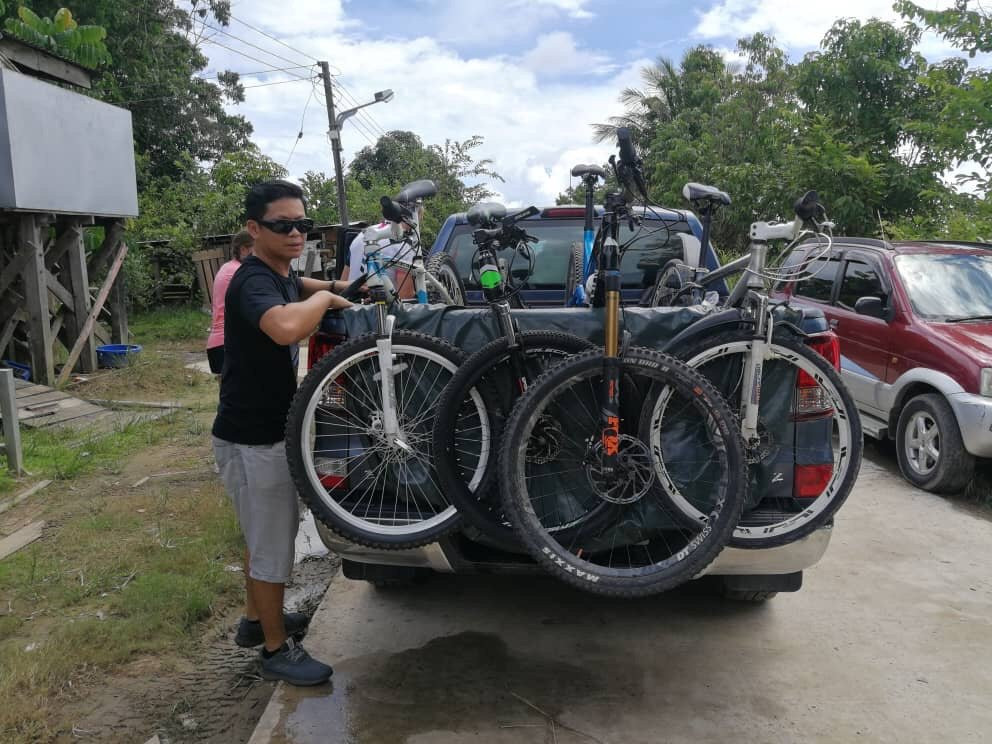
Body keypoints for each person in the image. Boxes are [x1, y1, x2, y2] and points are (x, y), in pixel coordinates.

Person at [212, 179, 353, 686]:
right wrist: (326, 306)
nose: (296, 233)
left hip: (254, 430)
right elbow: (286, 328)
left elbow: (305, 288)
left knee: (262, 535)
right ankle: (275, 651)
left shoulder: (278, 274)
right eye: (282, 225)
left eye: (302, 224)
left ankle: (256, 621)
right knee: (272, 543)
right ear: (254, 229)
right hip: (254, 439)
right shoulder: (251, 281)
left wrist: (336, 291)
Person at [340, 202, 423, 300]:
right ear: (415, 218)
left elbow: (343, 281)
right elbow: (405, 296)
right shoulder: (405, 245)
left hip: (350, 308)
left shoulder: (362, 235)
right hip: (382, 311)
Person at [206, 231, 254, 374]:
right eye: (257, 249)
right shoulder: (238, 271)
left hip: (219, 345)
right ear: (244, 249)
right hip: (229, 345)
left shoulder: (227, 267)